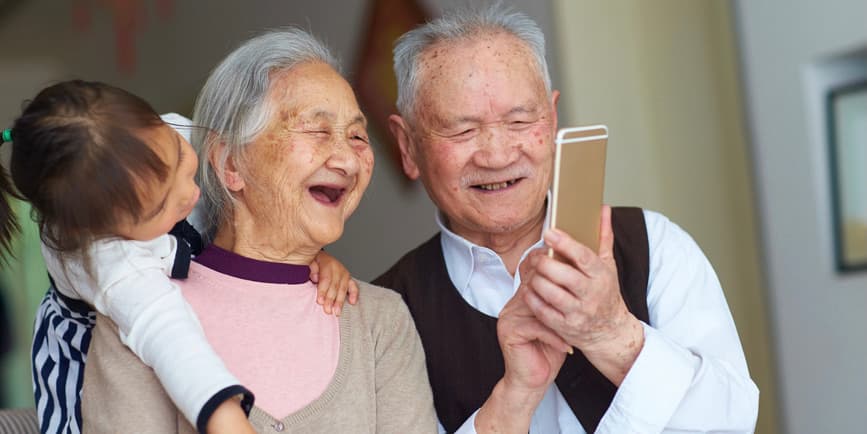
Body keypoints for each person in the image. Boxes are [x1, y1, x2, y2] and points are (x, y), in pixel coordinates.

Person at [375, 5, 760, 433]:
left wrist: (610, 332)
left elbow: (733, 422)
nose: (498, 155)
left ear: (553, 119)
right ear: (408, 147)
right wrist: (515, 396)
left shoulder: (654, 244)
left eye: (520, 120)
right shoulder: (383, 316)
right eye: (463, 130)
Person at [79, 28, 437, 434]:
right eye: (317, 130)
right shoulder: (139, 311)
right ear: (230, 164)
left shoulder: (380, 321)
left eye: (357, 136)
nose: (348, 161)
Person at [0, 81, 357, 434]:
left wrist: (307, 254)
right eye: (162, 206)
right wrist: (227, 419)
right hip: (85, 356)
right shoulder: (112, 264)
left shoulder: (170, 132)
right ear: (106, 232)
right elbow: (175, 344)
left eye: (181, 161)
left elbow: (266, 186)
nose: (191, 192)